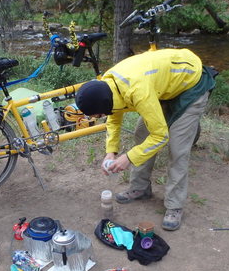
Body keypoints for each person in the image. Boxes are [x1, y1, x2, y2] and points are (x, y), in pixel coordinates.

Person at [75, 48, 216, 231]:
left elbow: (160, 136)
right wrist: (111, 152)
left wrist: (129, 158)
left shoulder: (137, 90)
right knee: (141, 135)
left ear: (104, 104)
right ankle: (140, 189)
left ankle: (174, 206)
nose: (99, 116)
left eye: (98, 113)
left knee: (177, 147)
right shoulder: (107, 85)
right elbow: (113, 117)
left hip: (190, 83)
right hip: (163, 86)